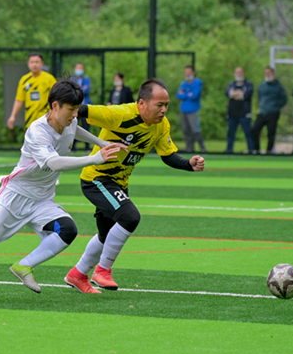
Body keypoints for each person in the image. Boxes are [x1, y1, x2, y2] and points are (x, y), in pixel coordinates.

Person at [0, 80, 124, 304]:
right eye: (71, 109)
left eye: (77, 109)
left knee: (68, 230)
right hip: (15, 197)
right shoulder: (37, 131)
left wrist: (101, 142)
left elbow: (74, 130)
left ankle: (24, 265)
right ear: (55, 106)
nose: (75, 114)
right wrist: (94, 158)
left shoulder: (68, 122)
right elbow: (54, 163)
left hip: (42, 200)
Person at [67, 79, 205, 292]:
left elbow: (167, 155)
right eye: (159, 105)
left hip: (119, 183)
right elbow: (82, 109)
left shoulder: (161, 125)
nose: (164, 110)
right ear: (142, 103)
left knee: (106, 234)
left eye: (166, 105)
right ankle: (103, 271)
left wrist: (188, 164)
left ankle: (77, 274)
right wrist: (58, 111)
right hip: (98, 179)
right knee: (130, 217)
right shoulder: (121, 114)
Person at [7, 53, 57, 129]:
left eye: (37, 62)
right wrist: (13, 116)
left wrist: (54, 113)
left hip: (46, 120)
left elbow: (57, 98)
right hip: (30, 121)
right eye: (32, 62)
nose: (34, 64)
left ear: (42, 63)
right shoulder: (24, 80)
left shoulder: (49, 79)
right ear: (28, 63)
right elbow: (19, 99)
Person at [250, 66, 288, 154]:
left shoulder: (278, 86)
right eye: (266, 73)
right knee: (254, 130)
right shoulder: (262, 86)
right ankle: (257, 150)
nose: (267, 75)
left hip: (273, 113)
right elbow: (259, 97)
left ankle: (269, 151)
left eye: (269, 73)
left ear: (273, 74)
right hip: (262, 112)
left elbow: (284, 99)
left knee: (271, 133)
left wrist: (276, 106)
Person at [176, 66, 206, 154]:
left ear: (193, 73)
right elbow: (179, 95)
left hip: (193, 110)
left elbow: (194, 96)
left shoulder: (198, 83)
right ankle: (189, 148)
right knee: (186, 130)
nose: (187, 74)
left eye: (189, 72)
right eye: (186, 72)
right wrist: (188, 94)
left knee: (195, 130)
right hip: (183, 109)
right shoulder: (183, 84)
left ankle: (202, 148)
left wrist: (185, 94)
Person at [224, 67, 254, 153]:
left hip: (244, 114)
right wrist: (239, 94)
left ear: (243, 73)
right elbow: (227, 93)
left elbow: (247, 95)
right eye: (237, 72)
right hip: (232, 114)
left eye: (240, 72)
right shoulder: (231, 84)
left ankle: (251, 151)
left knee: (248, 134)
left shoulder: (248, 85)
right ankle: (229, 150)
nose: (239, 74)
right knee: (230, 134)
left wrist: (234, 94)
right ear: (234, 74)